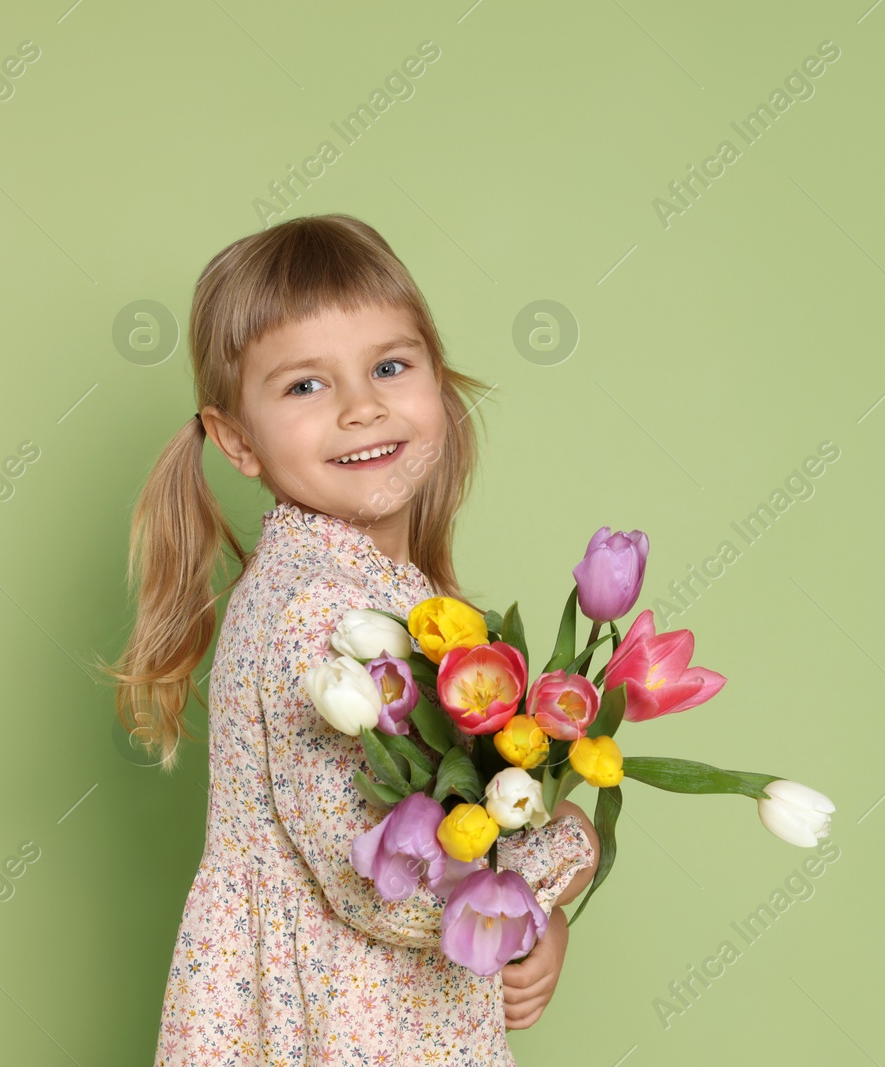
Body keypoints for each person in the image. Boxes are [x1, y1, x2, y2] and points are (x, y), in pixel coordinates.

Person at [101, 213, 599, 1065]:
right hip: (342, 1025)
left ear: (437, 384)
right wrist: (565, 853)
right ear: (235, 440)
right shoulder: (321, 612)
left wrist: (526, 921)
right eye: (305, 386)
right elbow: (381, 883)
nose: (362, 406)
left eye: (390, 367)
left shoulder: (380, 594)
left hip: (371, 1014)